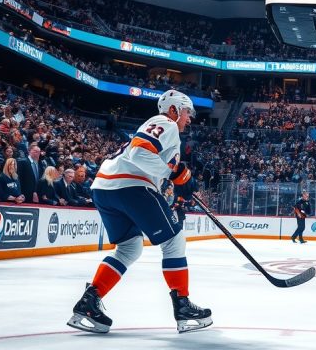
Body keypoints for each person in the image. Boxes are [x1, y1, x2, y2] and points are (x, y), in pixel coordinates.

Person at [67, 90, 211, 334]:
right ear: (174, 110)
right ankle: (183, 305)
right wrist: (174, 174)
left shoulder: (167, 132)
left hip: (105, 188)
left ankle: (89, 301)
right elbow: (140, 152)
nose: (190, 118)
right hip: (130, 186)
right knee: (174, 240)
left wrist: (178, 185)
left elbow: (155, 164)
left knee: (129, 247)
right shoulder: (166, 122)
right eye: (187, 112)